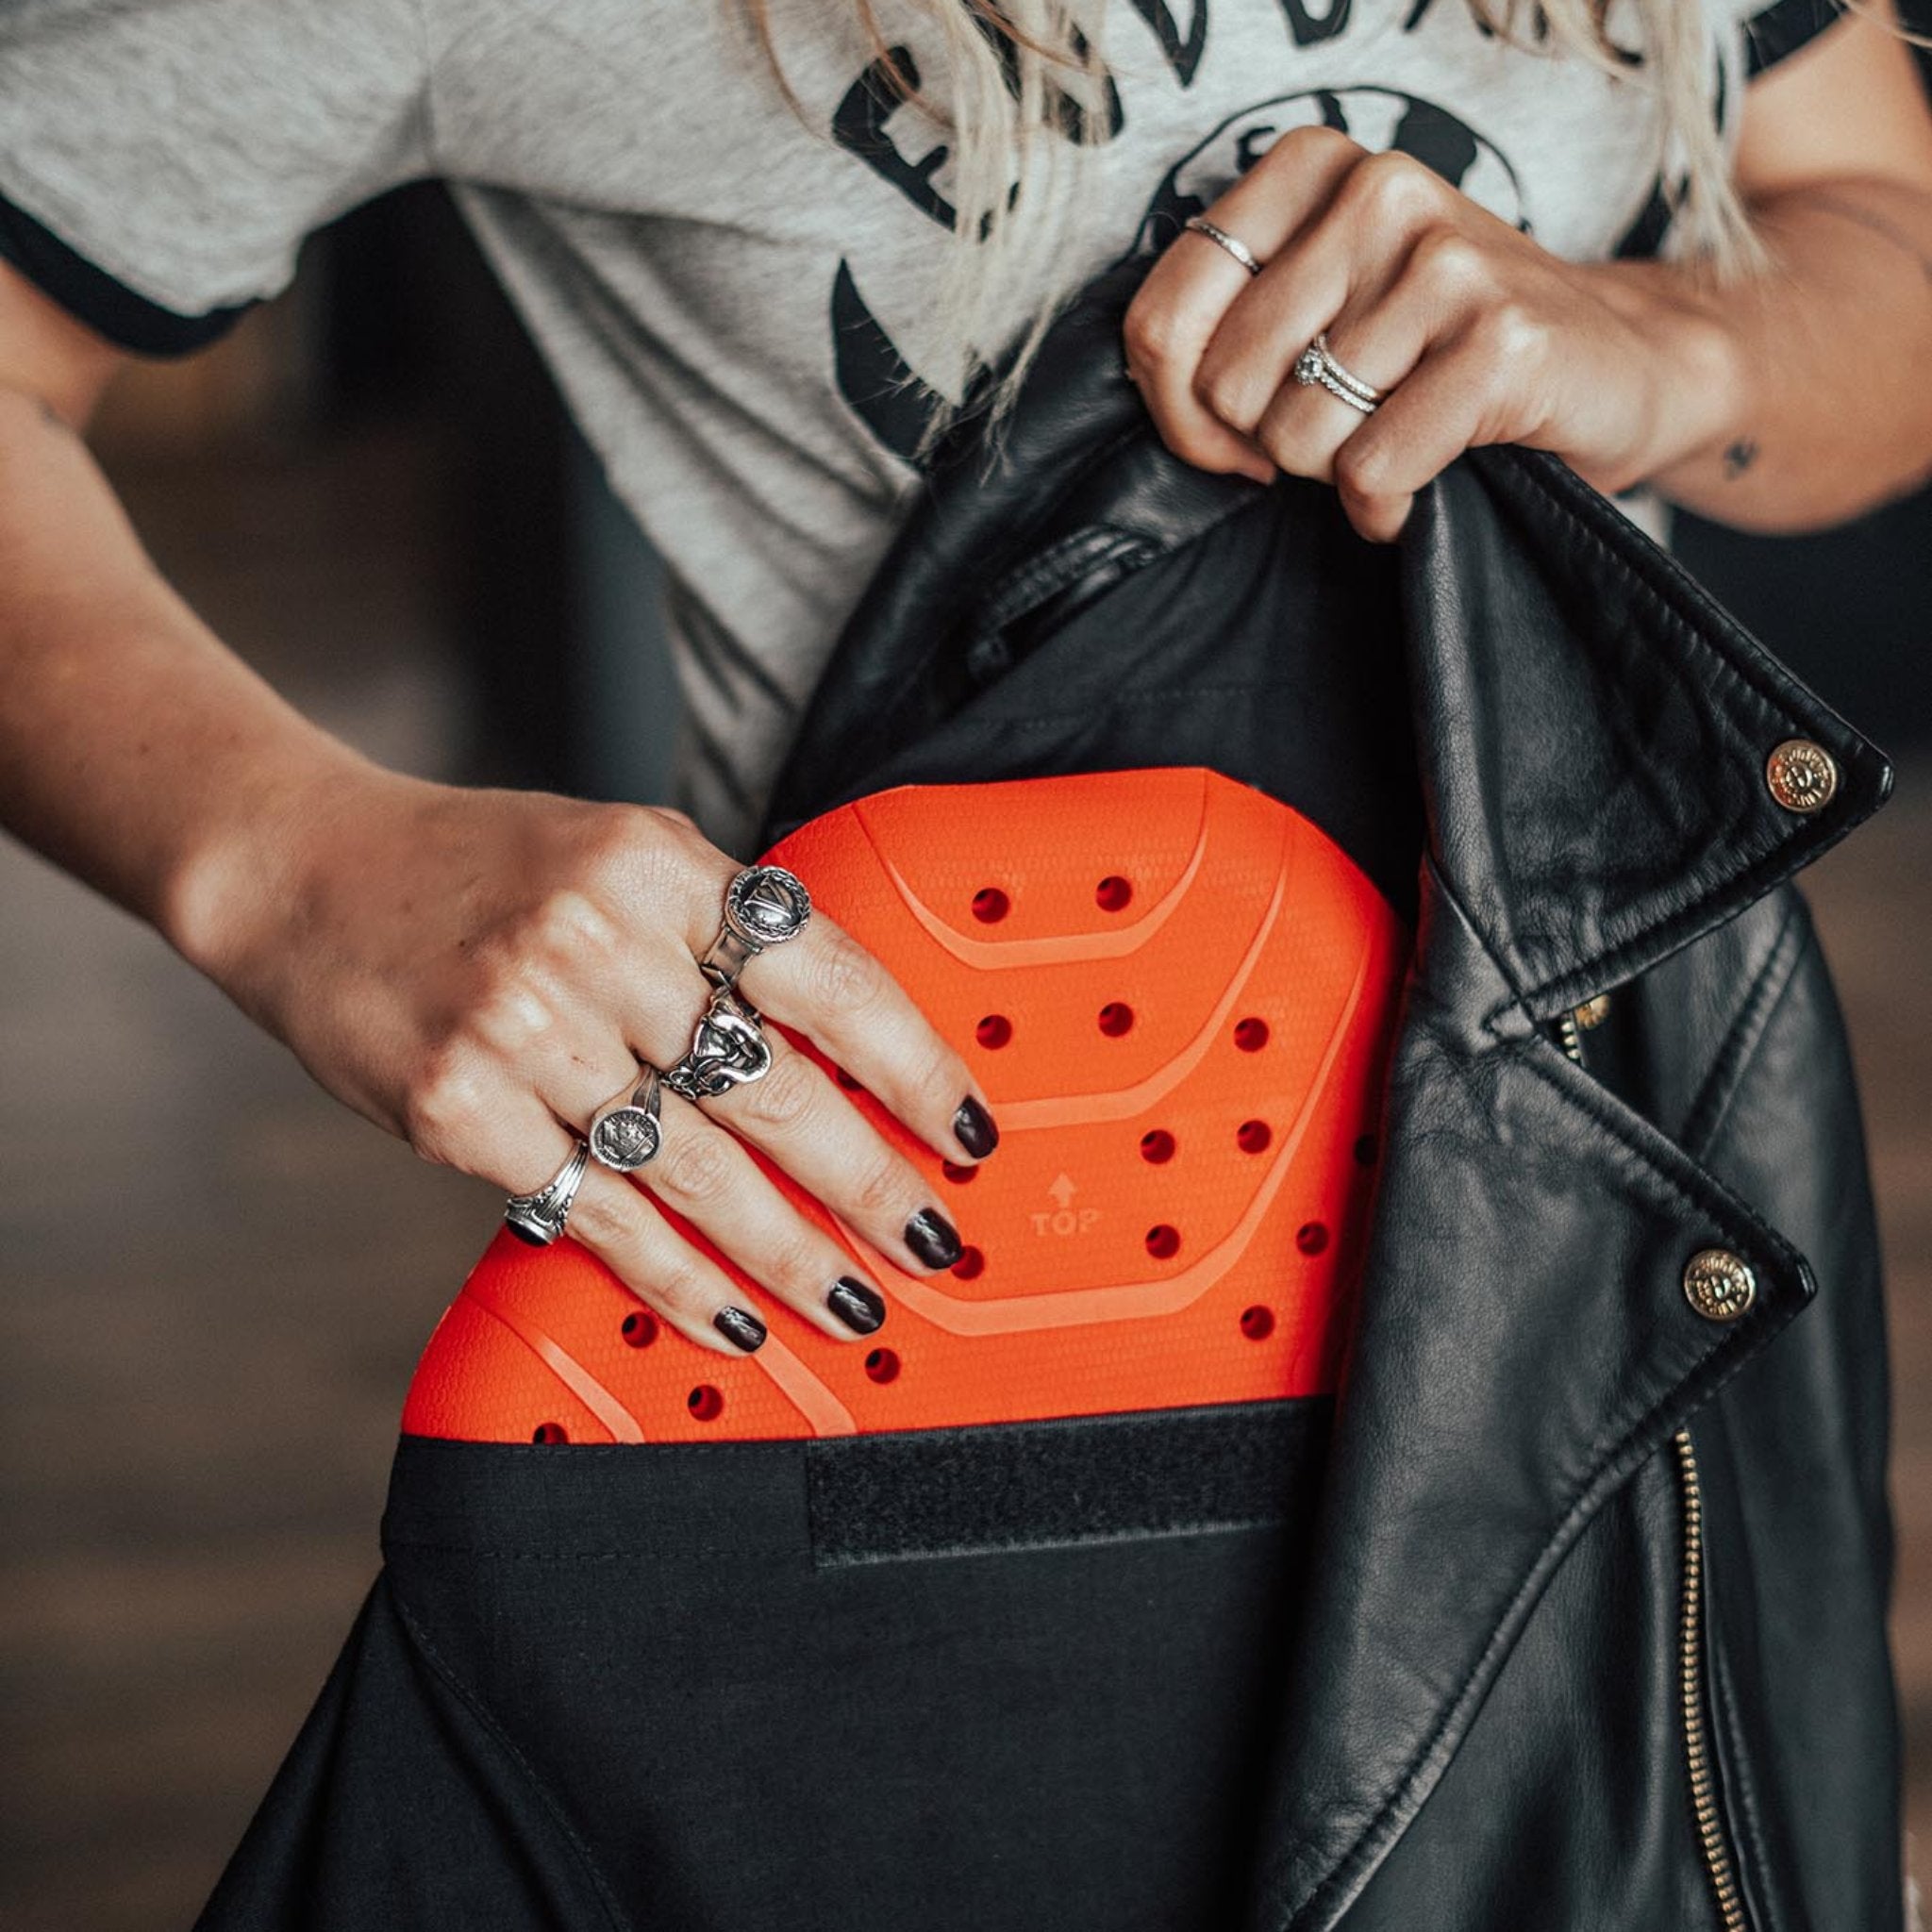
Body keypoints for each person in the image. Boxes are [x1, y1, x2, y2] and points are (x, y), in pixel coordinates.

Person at [0, 1, 1928, 1924]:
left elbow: (1879, 230)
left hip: (1609, 1210)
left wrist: (1667, 341)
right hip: (960, 1337)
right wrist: (288, 857)